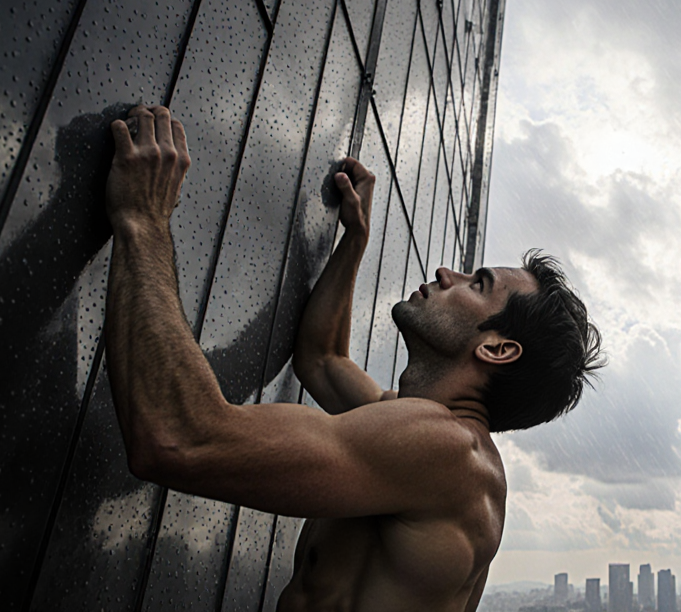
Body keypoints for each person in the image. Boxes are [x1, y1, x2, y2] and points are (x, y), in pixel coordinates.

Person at [104, 105, 602, 610]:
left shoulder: (445, 450)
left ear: (496, 348)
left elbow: (178, 438)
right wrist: (355, 240)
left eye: (479, 284)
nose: (449, 272)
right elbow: (321, 359)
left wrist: (143, 219)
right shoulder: (429, 441)